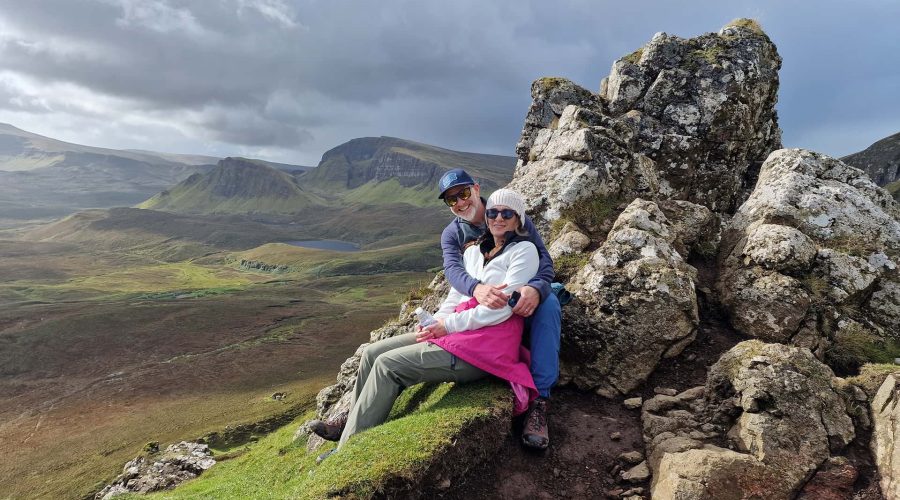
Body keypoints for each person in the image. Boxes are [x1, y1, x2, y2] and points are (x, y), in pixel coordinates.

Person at [310, 189, 540, 462]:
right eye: (493, 212)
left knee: (388, 366)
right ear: (487, 215)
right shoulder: (475, 251)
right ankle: (352, 425)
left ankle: (345, 454)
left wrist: (448, 326)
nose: (498, 218)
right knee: (372, 354)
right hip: (457, 333)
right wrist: (435, 322)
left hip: (485, 346)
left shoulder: (524, 252)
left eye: (507, 214)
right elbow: (457, 295)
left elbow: (501, 311)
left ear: (519, 220)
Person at [437, 169, 560, 450]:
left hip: (519, 290)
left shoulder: (506, 208)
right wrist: (476, 288)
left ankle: (539, 401)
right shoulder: (453, 233)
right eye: (451, 200)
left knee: (549, 304)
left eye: (464, 193)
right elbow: (453, 271)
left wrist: (537, 288)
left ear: (477, 189)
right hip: (483, 298)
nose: (460, 203)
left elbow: (543, 259)